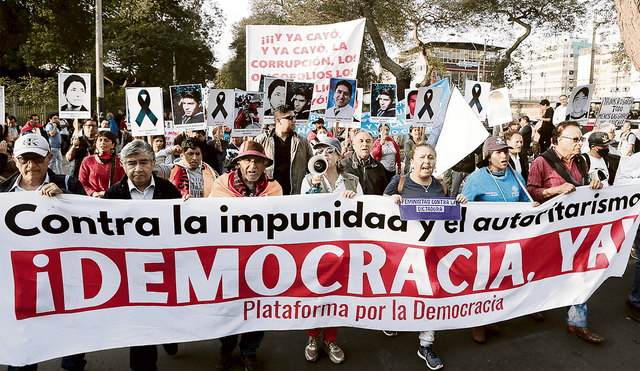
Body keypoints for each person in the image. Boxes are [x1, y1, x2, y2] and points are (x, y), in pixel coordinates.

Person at [0, 134, 87, 371]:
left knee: (71, 340)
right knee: (23, 349)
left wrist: (67, 201)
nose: (31, 166)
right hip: (22, 281)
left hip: (65, 276)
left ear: (49, 158)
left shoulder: (69, 184)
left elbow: (91, 224)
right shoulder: (2, 193)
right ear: (15, 160)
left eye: (37, 159)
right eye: (24, 159)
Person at [385, 143, 467, 370]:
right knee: (402, 290)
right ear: (412, 161)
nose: (427, 162)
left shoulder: (441, 185)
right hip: (403, 255)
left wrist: (459, 202)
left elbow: (448, 216)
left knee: (432, 294)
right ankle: (393, 320)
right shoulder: (399, 183)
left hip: (434, 255)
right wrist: (389, 201)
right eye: (422, 157)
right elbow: (379, 210)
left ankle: (426, 344)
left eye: (431, 157)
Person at [103, 140, 181, 370]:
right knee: (140, 325)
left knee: (165, 314)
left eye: (144, 162)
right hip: (132, 271)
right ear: (123, 166)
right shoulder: (113, 195)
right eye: (132, 163)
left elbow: (184, 226)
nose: (138, 169)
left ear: (154, 163)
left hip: (165, 266)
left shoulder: (169, 190)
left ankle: (168, 334)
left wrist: (188, 209)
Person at [527, 121, 604, 343]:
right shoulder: (541, 162)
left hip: (575, 228)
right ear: (559, 140)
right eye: (575, 139)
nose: (581, 143)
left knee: (580, 272)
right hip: (548, 230)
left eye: (581, 139)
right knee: (543, 270)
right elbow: (531, 192)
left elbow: (583, 186)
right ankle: (533, 304)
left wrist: (593, 185)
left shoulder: (581, 161)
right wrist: (554, 190)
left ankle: (577, 322)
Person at [210, 140, 282, 371]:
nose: (253, 165)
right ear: (238, 163)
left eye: (258, 161)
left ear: (264, 166)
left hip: (261, 259)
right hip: (229, 258)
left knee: (257, 307)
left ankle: (249, 350)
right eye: (248, 160)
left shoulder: (275, 188)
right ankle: (226, 346)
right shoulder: (221, 184)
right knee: (230, 307)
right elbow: (210, 217)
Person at [462, 136, 537, 344]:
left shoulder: (516, 177)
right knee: (482, 282)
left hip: (509, 240)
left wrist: (533, 208)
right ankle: (476, 323)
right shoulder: (476, 179)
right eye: (498, 152)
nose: (504, 155)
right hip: (483, 242)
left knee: (500, 281)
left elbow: (525, 205)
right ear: (488, 157)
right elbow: (465, 212)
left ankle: (489, 318)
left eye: (505, 151)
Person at [300, 137, 359, 364]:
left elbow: (364, 211)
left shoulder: (352, 181)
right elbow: (303, 212)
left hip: (343, 244)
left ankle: (331, 338)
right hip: (317, 245)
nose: (324, 154)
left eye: (329, 151)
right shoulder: (308, 180)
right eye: (319, 151)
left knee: (336, 293)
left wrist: (352, 201)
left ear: (338, 155)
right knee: (317, 291)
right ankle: (313, 337)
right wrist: (314, 187)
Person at [255, 105, 313, 195]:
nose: (294, 120)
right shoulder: (261, 140)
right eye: (290, 118)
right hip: (268, 194)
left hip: (294, 195)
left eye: (295, 117)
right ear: (278, 120)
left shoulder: (302, 141)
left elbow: (312, 167)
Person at [78, 130, 125, 197]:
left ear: (113, 145)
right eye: (100, 140)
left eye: (106, 140)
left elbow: (123, 184)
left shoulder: (119, 162)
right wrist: (92, 193)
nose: (102, 143)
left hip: (113, 198)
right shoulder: (87, 160)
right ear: (96, 143)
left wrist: (107, 193)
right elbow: (82, 183)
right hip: (93, 199)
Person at [342, 129, 387, 195]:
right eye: (361, 141)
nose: (365, 144)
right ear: (353, 145)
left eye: (368, 141)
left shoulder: (379, 167)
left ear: (372, 145)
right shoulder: (343, 165)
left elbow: (385, 192)